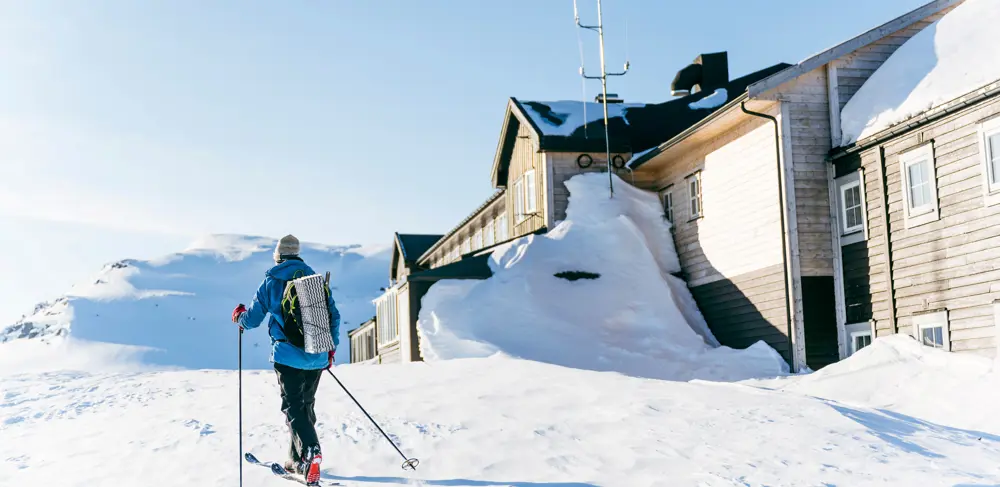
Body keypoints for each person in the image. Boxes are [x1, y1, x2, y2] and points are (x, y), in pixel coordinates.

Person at [232, 234, 340, 485]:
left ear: (278, 256)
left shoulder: (271, 281)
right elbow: (333, 316)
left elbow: (252, 320)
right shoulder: (315, 280)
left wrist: (238, 316)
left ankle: (311, 451)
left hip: (287, 356)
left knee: (292, 406)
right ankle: (297, 459)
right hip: (317, 354)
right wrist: (330, 351)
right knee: (306, 406)